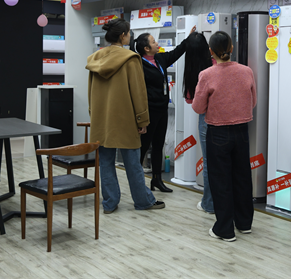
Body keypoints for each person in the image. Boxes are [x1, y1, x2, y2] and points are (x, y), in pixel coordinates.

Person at [86, 18, 165, 213]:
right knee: (133, 163)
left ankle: (109, 203)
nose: (130, 36)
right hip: (126, 119)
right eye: (128, 33)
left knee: (105, 162)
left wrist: (94, 115)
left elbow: (91, 92)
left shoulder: (95, 59)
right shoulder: (131, 59)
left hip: (101, 120)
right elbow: (138, 93)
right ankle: (143, 201)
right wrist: (142, 119)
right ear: (123, 36)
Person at [192, 31, 257, 242]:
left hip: (217, 132)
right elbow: (253, 101)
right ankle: (244, 223)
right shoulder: (247, 71)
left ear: (211, 51)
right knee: (242, 177)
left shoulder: (206, 75)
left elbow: (198, 107)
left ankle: (224, 229)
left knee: (221, 180)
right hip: (242, 131)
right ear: (231, 48)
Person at [134, 26, 196, 192]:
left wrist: (189, 38)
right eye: (154, 42)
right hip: (148, 111)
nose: (157, 44)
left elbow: (177, 52)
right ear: (146, 48)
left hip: (162, 109)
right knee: (143, 147)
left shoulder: (160, 59)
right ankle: (137, 183)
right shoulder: (138, 65)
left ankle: (157, 180)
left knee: (158, 145)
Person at [182, 32, 215, 214]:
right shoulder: (216, 65)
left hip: (205, 118)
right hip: (226, 118)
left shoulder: (192, 70)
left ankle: (209, 203)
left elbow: (191, 101)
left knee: (209, 162)